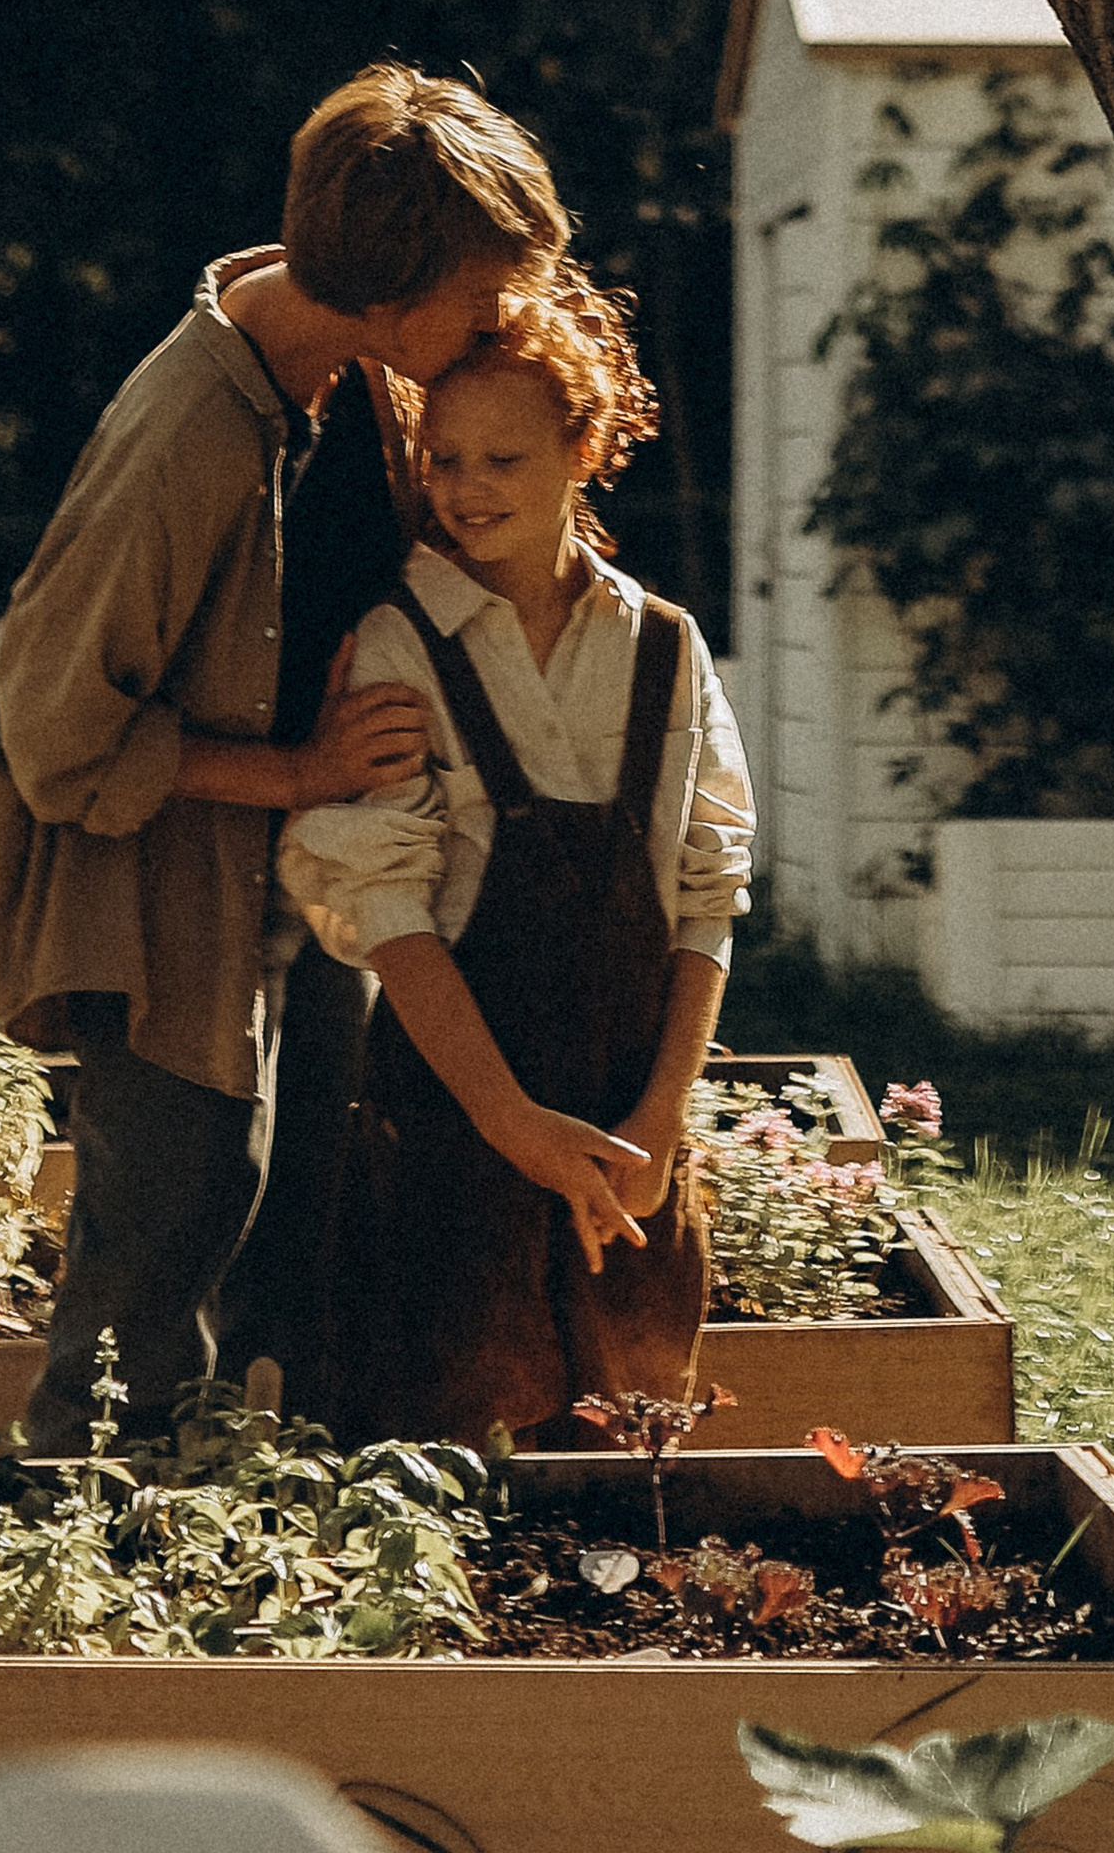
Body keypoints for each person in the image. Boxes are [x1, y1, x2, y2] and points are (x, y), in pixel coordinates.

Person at [0, 63, 570, 1454]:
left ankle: (252, 1528)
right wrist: (300, 774)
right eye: (484, 299)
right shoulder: (189, 434)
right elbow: (57, 735)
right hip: (161, 903)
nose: (504, 322)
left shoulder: (349, 378)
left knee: (293, 1233)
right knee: (159, 1249)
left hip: (299, 882)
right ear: (390, 295)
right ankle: (80, 1538)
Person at [281, 268, 754, 1446]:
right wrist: (509, 1122)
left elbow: (707, 895)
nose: (467, 488)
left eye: (504, 459)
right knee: (440, 1448)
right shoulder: (400, 643)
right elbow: (387, 908)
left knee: (628, 1452)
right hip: (451, 1135)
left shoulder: (665, 648)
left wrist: (660, 1118)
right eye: (443, 460)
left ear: (584, 451)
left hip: (628, 1143)